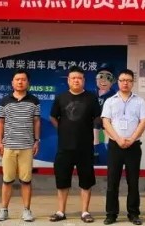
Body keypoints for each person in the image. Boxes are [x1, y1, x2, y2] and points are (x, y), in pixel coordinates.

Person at [50, 65, 102, 223]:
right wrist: (63, 129)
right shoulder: (61, 98)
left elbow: (97, 117)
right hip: (65, 146)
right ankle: (61, 211)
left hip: (85, 147)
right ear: (68, 80)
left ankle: (85, 212)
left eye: (79, 78)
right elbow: (53, 117)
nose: (76, 80)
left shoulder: (91, 98)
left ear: (84, 80)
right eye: (73, 78)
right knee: (62, 180)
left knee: (86, 181)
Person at [101, 69, 145, 226]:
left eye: (128, 80)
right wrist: (118, 139)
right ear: (118, 82)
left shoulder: (139, 101)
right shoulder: (110, 101)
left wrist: (132, 139)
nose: (125, 83)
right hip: (115, 146)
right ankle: (111, 214)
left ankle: (134, 213)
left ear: (132, 83)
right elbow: (106, 122)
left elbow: (143, 122)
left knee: (133, 182)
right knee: (112, 182)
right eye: (122, 80)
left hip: (133, 146)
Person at [0, 69, 42, 222]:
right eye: (17, 79)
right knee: (7, 180)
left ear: (28, 82)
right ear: (12, 82)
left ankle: (27, 210)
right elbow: (0, 122)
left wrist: (37, 141)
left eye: (23, 79)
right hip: (8, 146)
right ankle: (3, 210)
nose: (20, 82)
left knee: (26, 181)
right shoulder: (5, 101)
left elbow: (36, 121)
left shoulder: (34, 101)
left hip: (27, 147)